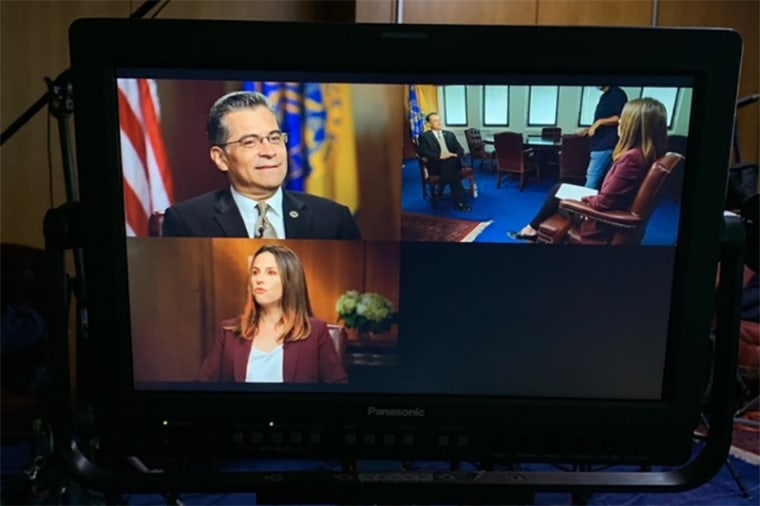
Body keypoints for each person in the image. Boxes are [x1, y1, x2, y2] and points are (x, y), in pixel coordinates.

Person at [162, 91, 361, 239]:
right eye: (250, 142)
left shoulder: (333, 218)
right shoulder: (187, 222)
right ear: (221, 158)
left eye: (274, 138)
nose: (269, 151)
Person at [508, 97, 668, 242]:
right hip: (615, 209)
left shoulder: (631, 159)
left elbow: (603, 203)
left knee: (558, 194)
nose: (619, 122)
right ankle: (532, 228)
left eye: (623, 119)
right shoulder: (649, 154)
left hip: (603, 221)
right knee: (559, 188)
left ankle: (531, 229)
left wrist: (586, 201)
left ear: (635, 126)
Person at [198, 244, 348, 383]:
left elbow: (338, 388)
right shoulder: (229, 331)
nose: (259, 279)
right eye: (255, 272)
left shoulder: (316, 332)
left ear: (290, 281)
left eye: (271, 273)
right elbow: (204, 384)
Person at [416, 112, 472, 212]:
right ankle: (460, 202)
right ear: (429, 124)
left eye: (439, 120)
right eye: (435, 121)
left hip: (452, 162)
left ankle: (441, 190)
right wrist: (439, 156)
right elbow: (423, 152)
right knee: (453, 173)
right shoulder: (425, 137)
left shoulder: (449, 134)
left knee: (450, 163)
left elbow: (460, 149)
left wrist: (455, 154)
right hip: (437, 164)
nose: (439, 122)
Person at [581, 85, 629, 189]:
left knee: (593, 176)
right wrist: (591, 128)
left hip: (606, 144)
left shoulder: (617, 93)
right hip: (600, 142)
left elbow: (621, 117)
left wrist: (599, 122)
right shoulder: (605, 96)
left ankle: (584, 203)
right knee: (603, 179)